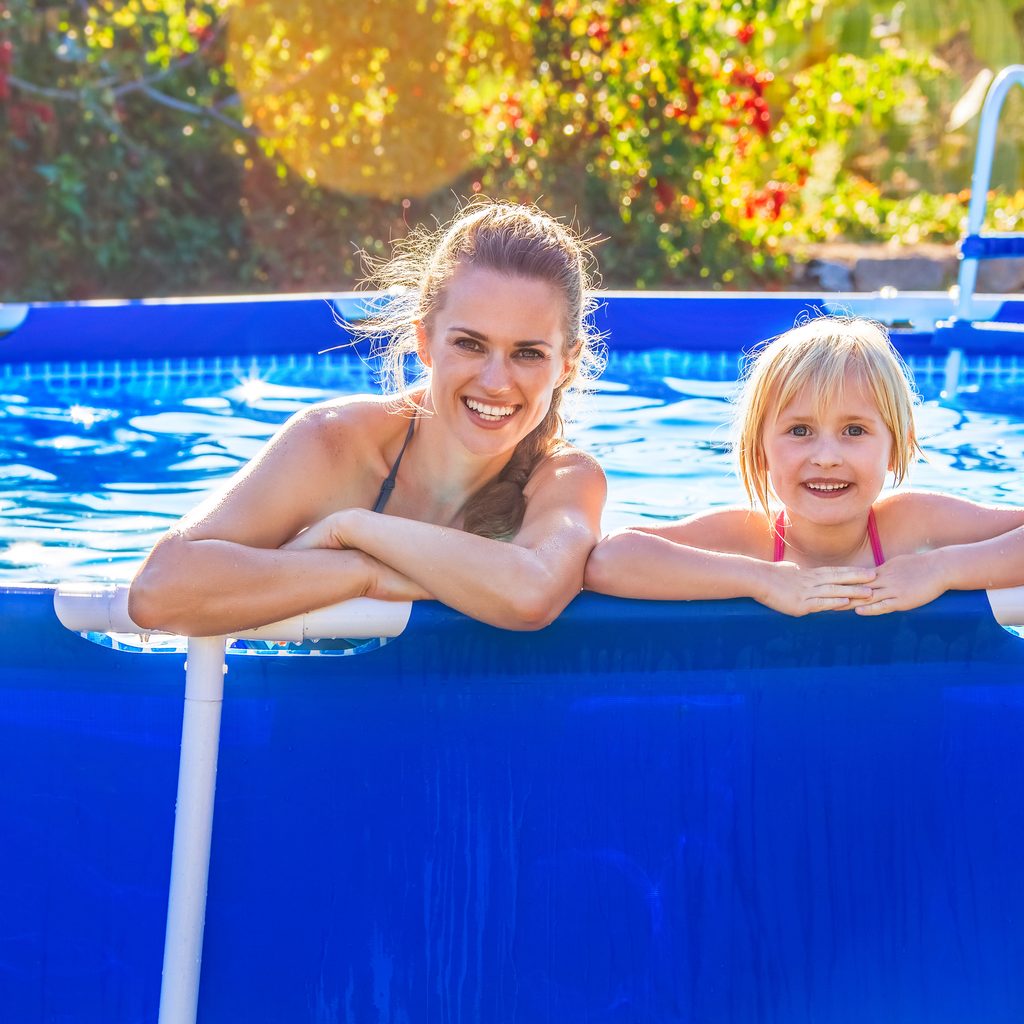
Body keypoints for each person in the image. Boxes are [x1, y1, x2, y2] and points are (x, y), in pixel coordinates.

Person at [129, 201, 607, 635]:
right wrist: (364, 571)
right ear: (425, 341)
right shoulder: (333, 443)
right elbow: (158, 591)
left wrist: (356, 529)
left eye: (528, 353)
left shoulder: (563, 479)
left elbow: (531, 594)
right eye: (469, 344)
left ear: (565, 364)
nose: (496, 381)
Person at [585, 315, 1024, 616]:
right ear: (758, 449)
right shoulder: (749, 539)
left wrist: (940, 569)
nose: (827, 456)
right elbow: (609, 559)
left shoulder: (912, 525)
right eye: (799, 431)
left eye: (855, 431)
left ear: (896, 446)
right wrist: (762, 580)